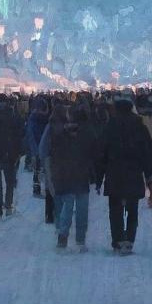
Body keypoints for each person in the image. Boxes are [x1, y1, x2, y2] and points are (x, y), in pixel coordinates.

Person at [97, 93, 152, 254]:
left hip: (114, 172)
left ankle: (118, 240)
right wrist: (151, 175)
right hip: (133, 173)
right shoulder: (139, 126)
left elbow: (101, 151)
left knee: (115, 209)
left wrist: (98, 176)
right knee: (133, 209)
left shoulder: (110, 126)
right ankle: (129, 239)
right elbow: (148, 152)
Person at [40, 103, 97, 251]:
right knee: (81, 208)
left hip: (64, 174)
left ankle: (63, 235)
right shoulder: (87, 132)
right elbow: (94, 152)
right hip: (81, 174)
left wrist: (53, 171)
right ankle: (80, 239)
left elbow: (51, 152)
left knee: (67, 205)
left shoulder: (58, 132)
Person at [25, 96, 50, 198]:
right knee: (41, 169)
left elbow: (29, 135)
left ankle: (40, 188)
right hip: (41, 148)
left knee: (40, 169)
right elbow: (30, 135)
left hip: (40, 147)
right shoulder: (44, 118)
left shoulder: (33, 118)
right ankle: (39, 189)